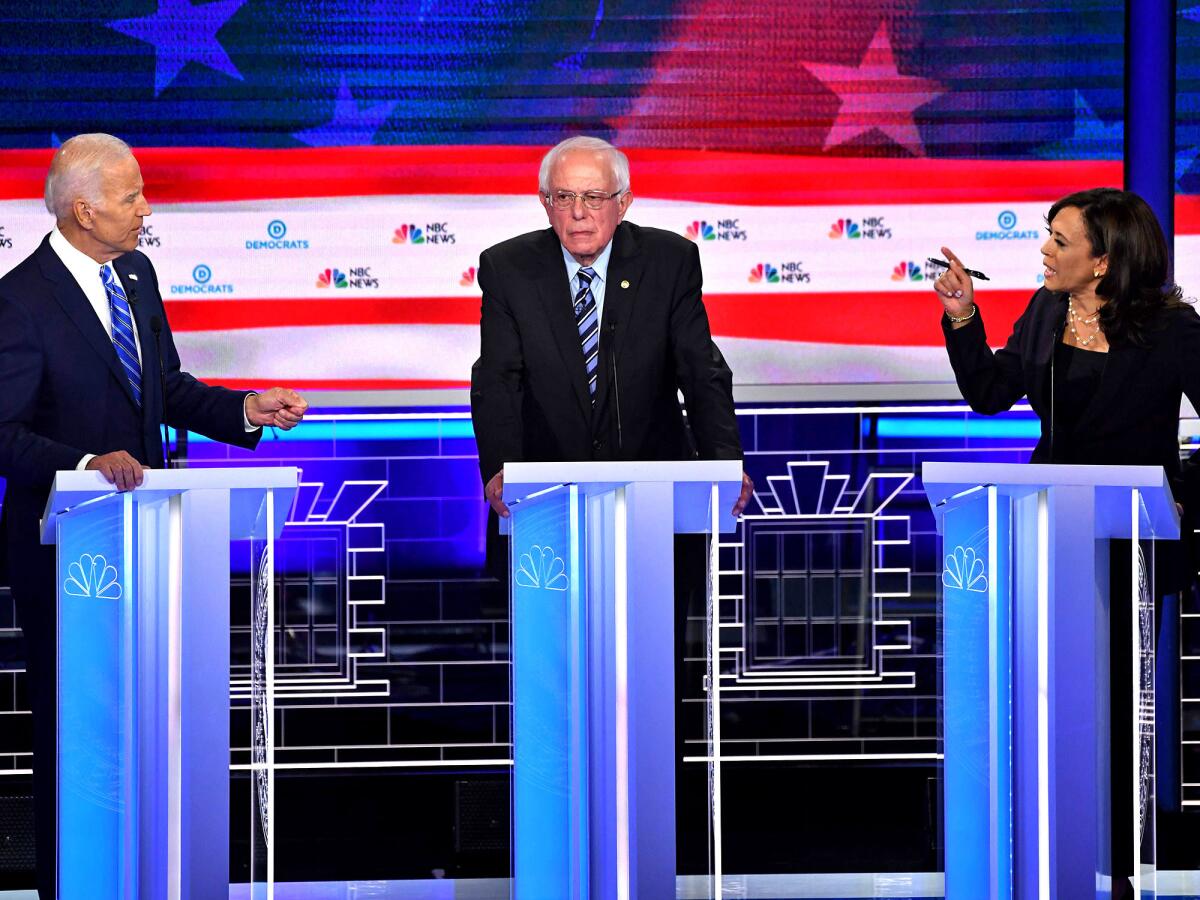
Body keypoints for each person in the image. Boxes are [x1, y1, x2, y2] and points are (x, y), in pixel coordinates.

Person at [0, 133, 309, 898]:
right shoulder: (19, 299)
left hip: (156, 541)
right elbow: (4, 432)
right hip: (68, 547)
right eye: (132, 196)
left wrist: (246, 409)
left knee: (153, 725)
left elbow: (162, 387)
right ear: (82, 209)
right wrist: (84, 466)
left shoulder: (134, 273)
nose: (146, 208)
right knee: (78, 728)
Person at [469, 134, 752, 868]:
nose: (578, 212)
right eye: (563, 197)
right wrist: (499, 470)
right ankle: (554, 836)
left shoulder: (667, 260)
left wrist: (724, 463)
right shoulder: (508, 267)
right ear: (544, 203)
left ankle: (662, 836)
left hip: (655, 510)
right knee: (553, 674)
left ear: (622, 204)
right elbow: (495, 377)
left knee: (658, 672)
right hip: (546, 511)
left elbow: (700, 365)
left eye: (593, 197)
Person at [933, 187, 1200, 898]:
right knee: (1049, 705)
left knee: (1117, 715)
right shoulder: (1048, 308)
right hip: (1049, 532)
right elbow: (992, 394)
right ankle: (1051, 860)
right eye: (1047, 237)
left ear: (1105, 261)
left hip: (1134, 541)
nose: (1044, 250)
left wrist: (1183, 491)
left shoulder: (1174, 329)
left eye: (1059, 240)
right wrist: (962, 316)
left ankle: (1119, 869)